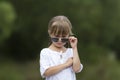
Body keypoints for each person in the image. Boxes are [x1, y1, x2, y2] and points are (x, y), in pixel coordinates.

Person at [40, 15, 83, 80]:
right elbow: (46, 72)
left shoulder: (71, 51)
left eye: (63, 38)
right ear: (50, 33)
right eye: (56, 37)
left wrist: (74, 48)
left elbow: (77, 69)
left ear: (68, 35)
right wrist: (66, 64)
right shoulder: (46, 52)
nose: (60, 40)